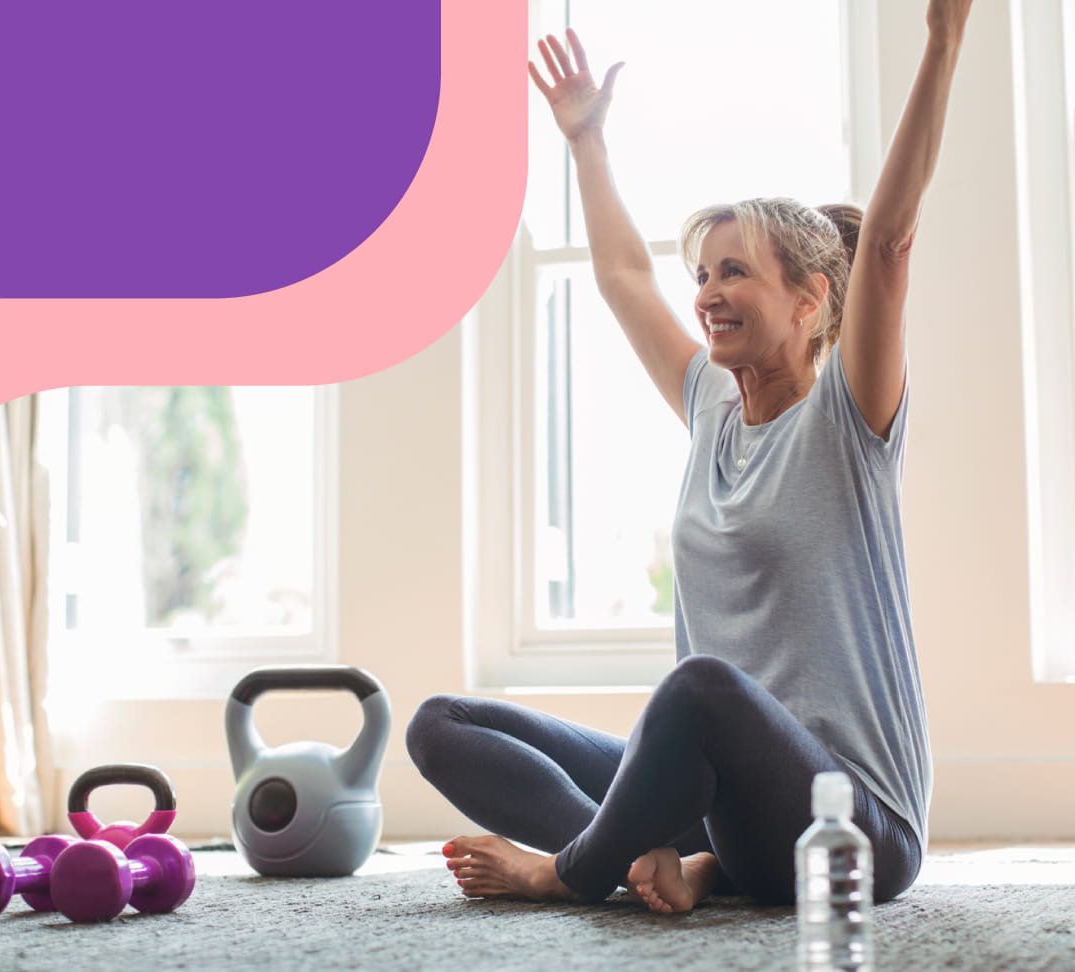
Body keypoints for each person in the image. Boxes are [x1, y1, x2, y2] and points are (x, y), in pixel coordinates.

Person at [406, 0, 974, 913]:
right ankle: (664, 863)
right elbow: (626, 277)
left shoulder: (847, 418)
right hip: (730, 808)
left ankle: (575, 872)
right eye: (702, 274)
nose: (707, 294)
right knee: (445, 726)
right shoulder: (711, 406)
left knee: (702, 689)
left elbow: (894, 240)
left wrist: (943, 46)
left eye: (734, 271)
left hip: (854, 827)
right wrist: (587, 142)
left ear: (810, 298)